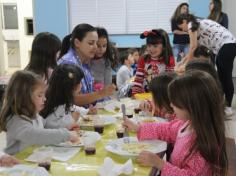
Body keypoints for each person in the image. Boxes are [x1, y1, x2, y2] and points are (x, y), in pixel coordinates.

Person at [123, 71, 228, 176]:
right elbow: (166, 129)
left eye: (175, 102)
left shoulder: (202, 143)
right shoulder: (187, 124)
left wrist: (160, 164)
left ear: (191, 106)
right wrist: (138, 128)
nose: (171, 105)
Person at [0, 70, 79, 155]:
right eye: (40, 95)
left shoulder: (35, 116)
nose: (45, 99)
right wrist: (65, 134)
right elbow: (37, 135)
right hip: (14, 165)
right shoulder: (16, 121)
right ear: (24, 98)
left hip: (30, 161)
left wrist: (66, 127)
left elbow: (46, 126)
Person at [175, 13, 236, 116]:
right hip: (227, 46)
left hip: (226, 45)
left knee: (225, 77)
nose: (184, 30)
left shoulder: (191, 25)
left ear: (185, 21)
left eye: (182, 28)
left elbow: (193, 47)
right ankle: (222, 105)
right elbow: (193, 48)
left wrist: (186, 65)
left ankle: (228, 107)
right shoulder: (197, 24)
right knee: (221, 77)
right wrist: (182, 61)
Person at [57, 23, 116, 106]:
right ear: (77, 43)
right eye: (91, 43)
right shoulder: (68, 64)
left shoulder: (84, 62)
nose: (96, 47)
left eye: (96, 43)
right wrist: (101, 93)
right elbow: (72, 99)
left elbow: (89, 94)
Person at [40, 64, 97, 129]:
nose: (81, 85)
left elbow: (73, 108)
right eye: (79, 82)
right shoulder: (54, 104)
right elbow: (49, 125)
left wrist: (87, 111)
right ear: (70, 87)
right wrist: (71, 120)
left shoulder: (63, 100)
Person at [131, 29, 175, 95]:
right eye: (149, 46)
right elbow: (138, 79)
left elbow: (169, 81)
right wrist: (135, 94)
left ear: (164, 46)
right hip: (146, 95)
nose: (151, 49)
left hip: (162, 95)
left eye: (155, 46)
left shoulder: (169, 59)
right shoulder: (143, 59)